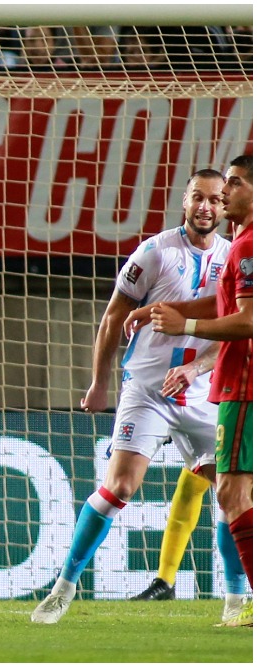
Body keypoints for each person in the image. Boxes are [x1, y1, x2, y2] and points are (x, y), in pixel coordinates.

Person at [30, 168, 234, 624]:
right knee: (121, 486)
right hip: (147, 390)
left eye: (215, 200)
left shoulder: (233, 256)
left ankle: (236, 602)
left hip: (203, 393)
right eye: (197, 197)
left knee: (232, 495)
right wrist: (99, 381)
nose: (205, 207)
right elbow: (112, 318)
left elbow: (233, 329)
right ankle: (64, 587)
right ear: (184, 201)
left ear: (224, 207)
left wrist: (196, 367)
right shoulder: (155, 252)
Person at [144, 154, 253, 627]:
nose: (225, 192)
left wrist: (185, 323)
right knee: (229, 491)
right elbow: (226, 301)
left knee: (230, 494)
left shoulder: (246, 247)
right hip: (232, 386)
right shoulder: (242, 246)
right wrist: (171, 307)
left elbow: (248, 320)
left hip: (242, 386)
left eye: (233, 184)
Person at [129, 344, 249, 620]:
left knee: (233, 495)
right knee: (204, 487)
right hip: (217, 398)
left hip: (233, 399)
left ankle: (235, 594)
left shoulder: (239, 312)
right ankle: (167, 581)